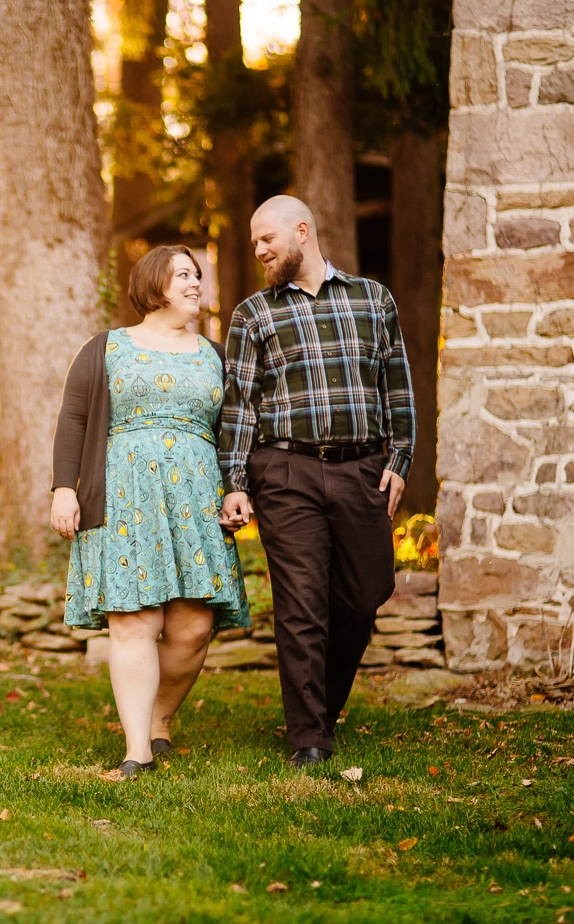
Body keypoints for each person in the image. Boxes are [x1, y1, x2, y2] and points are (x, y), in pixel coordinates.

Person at [218, 195, 416, 769]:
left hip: (361, 469)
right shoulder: (253, 314)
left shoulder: (373, 299)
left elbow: (396, 387)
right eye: (255, 243)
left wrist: (399, 460)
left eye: (266, 240)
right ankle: (309, 737)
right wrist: (236, 482)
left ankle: (320, 709)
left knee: (365, 595)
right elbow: (239, 407)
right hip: (285, 471)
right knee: (301, 604)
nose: (258, 251)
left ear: (301, 231)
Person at [51, 244, 252, 782]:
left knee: (192, 627)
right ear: (154, 284)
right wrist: (63, 489)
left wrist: (236, 488)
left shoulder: (216, 354)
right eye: (182, 274)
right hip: (125, 498)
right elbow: (74, 417)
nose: (195, 283)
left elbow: (233, 430)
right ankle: (137, 749)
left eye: (197, 274)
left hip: (196, 499)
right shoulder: (107, 347)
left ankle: (159, 716)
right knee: (136, 622)